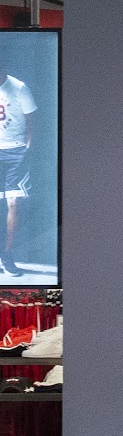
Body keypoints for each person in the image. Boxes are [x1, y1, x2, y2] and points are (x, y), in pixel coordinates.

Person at [0, 57, 38, 278]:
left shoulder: (20, 88)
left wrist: (27, 149)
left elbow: (32, 124)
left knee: (13, 203)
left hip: (15, 152)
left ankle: (7, 254)